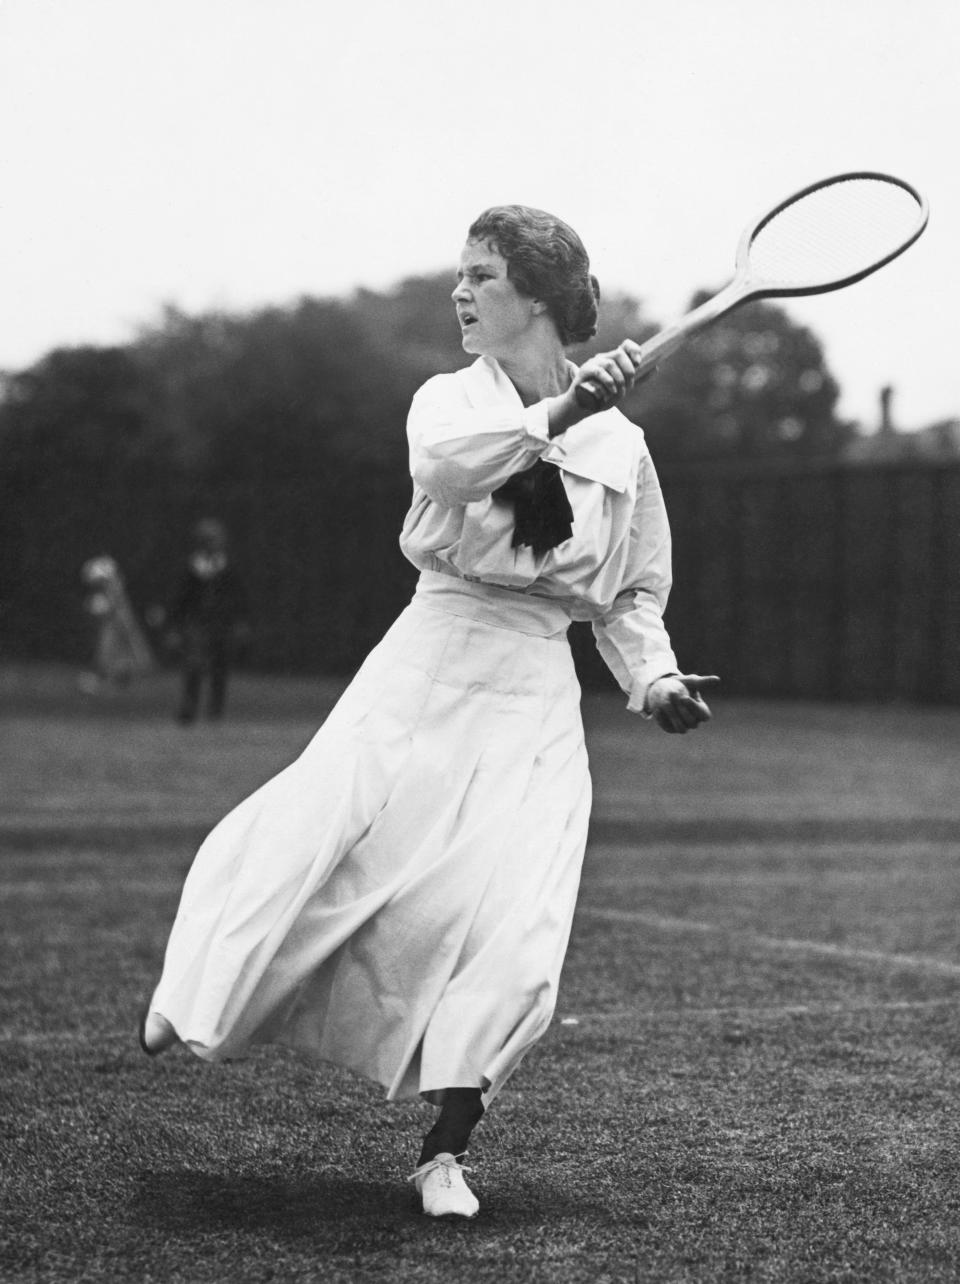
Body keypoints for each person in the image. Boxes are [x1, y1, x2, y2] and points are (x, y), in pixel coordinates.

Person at [139, 205, 717, 1219]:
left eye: (483, 276)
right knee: (319, 837)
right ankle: (197, 993)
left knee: (519, 931)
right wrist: (562, 410)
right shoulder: (451, 402)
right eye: (463, 273)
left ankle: (444, 1153)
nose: (461, 291)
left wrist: (654, 679)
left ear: (536, 298)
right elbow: (452, 470)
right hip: (429, 660)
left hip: (536, 694)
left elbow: (630, 595)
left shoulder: (625, 449)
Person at [165, 519, 249, 724]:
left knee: (220, 667)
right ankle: (189, 708)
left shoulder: (227, 567)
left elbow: (239, 597)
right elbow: (180, 599)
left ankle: (215, 711)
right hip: (197, 622)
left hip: (222, 623)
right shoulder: (192, 568)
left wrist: (240, 621)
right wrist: (174, 627)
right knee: (194, 665)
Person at [78, 555, 153, 694]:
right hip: (114, 623)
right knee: (109, 653)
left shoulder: (112, 585)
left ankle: (117, 678)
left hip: (117, 622)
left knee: (122, 653)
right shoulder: (110, 586)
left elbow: (112, 605)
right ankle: (115, 678)